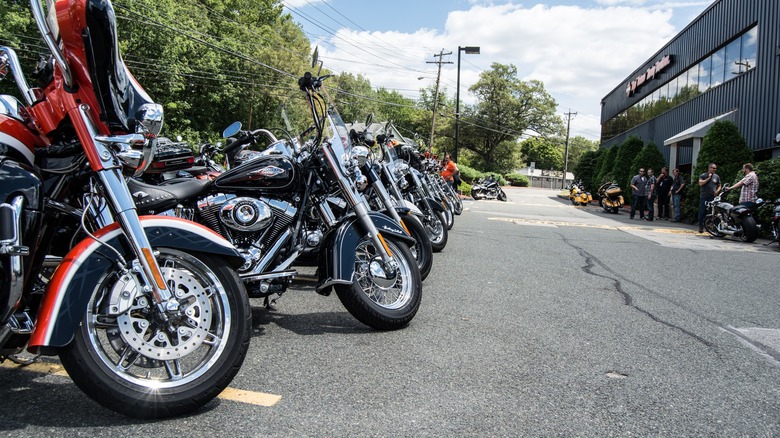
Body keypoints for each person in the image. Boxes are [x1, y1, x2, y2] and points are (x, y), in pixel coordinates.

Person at [698, 162, 721, 233]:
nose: (715, 169)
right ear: (709, 168)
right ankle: (701, 226)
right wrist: (708, 178)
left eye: (715, 168)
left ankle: (710, 227)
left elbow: (719, 185)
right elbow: (700, 183)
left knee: (712, 212)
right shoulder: (703, 175)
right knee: (702, 212)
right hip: (704, 197)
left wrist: (717, 191)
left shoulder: (716, 176)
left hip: (712, 197)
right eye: (713, 168)